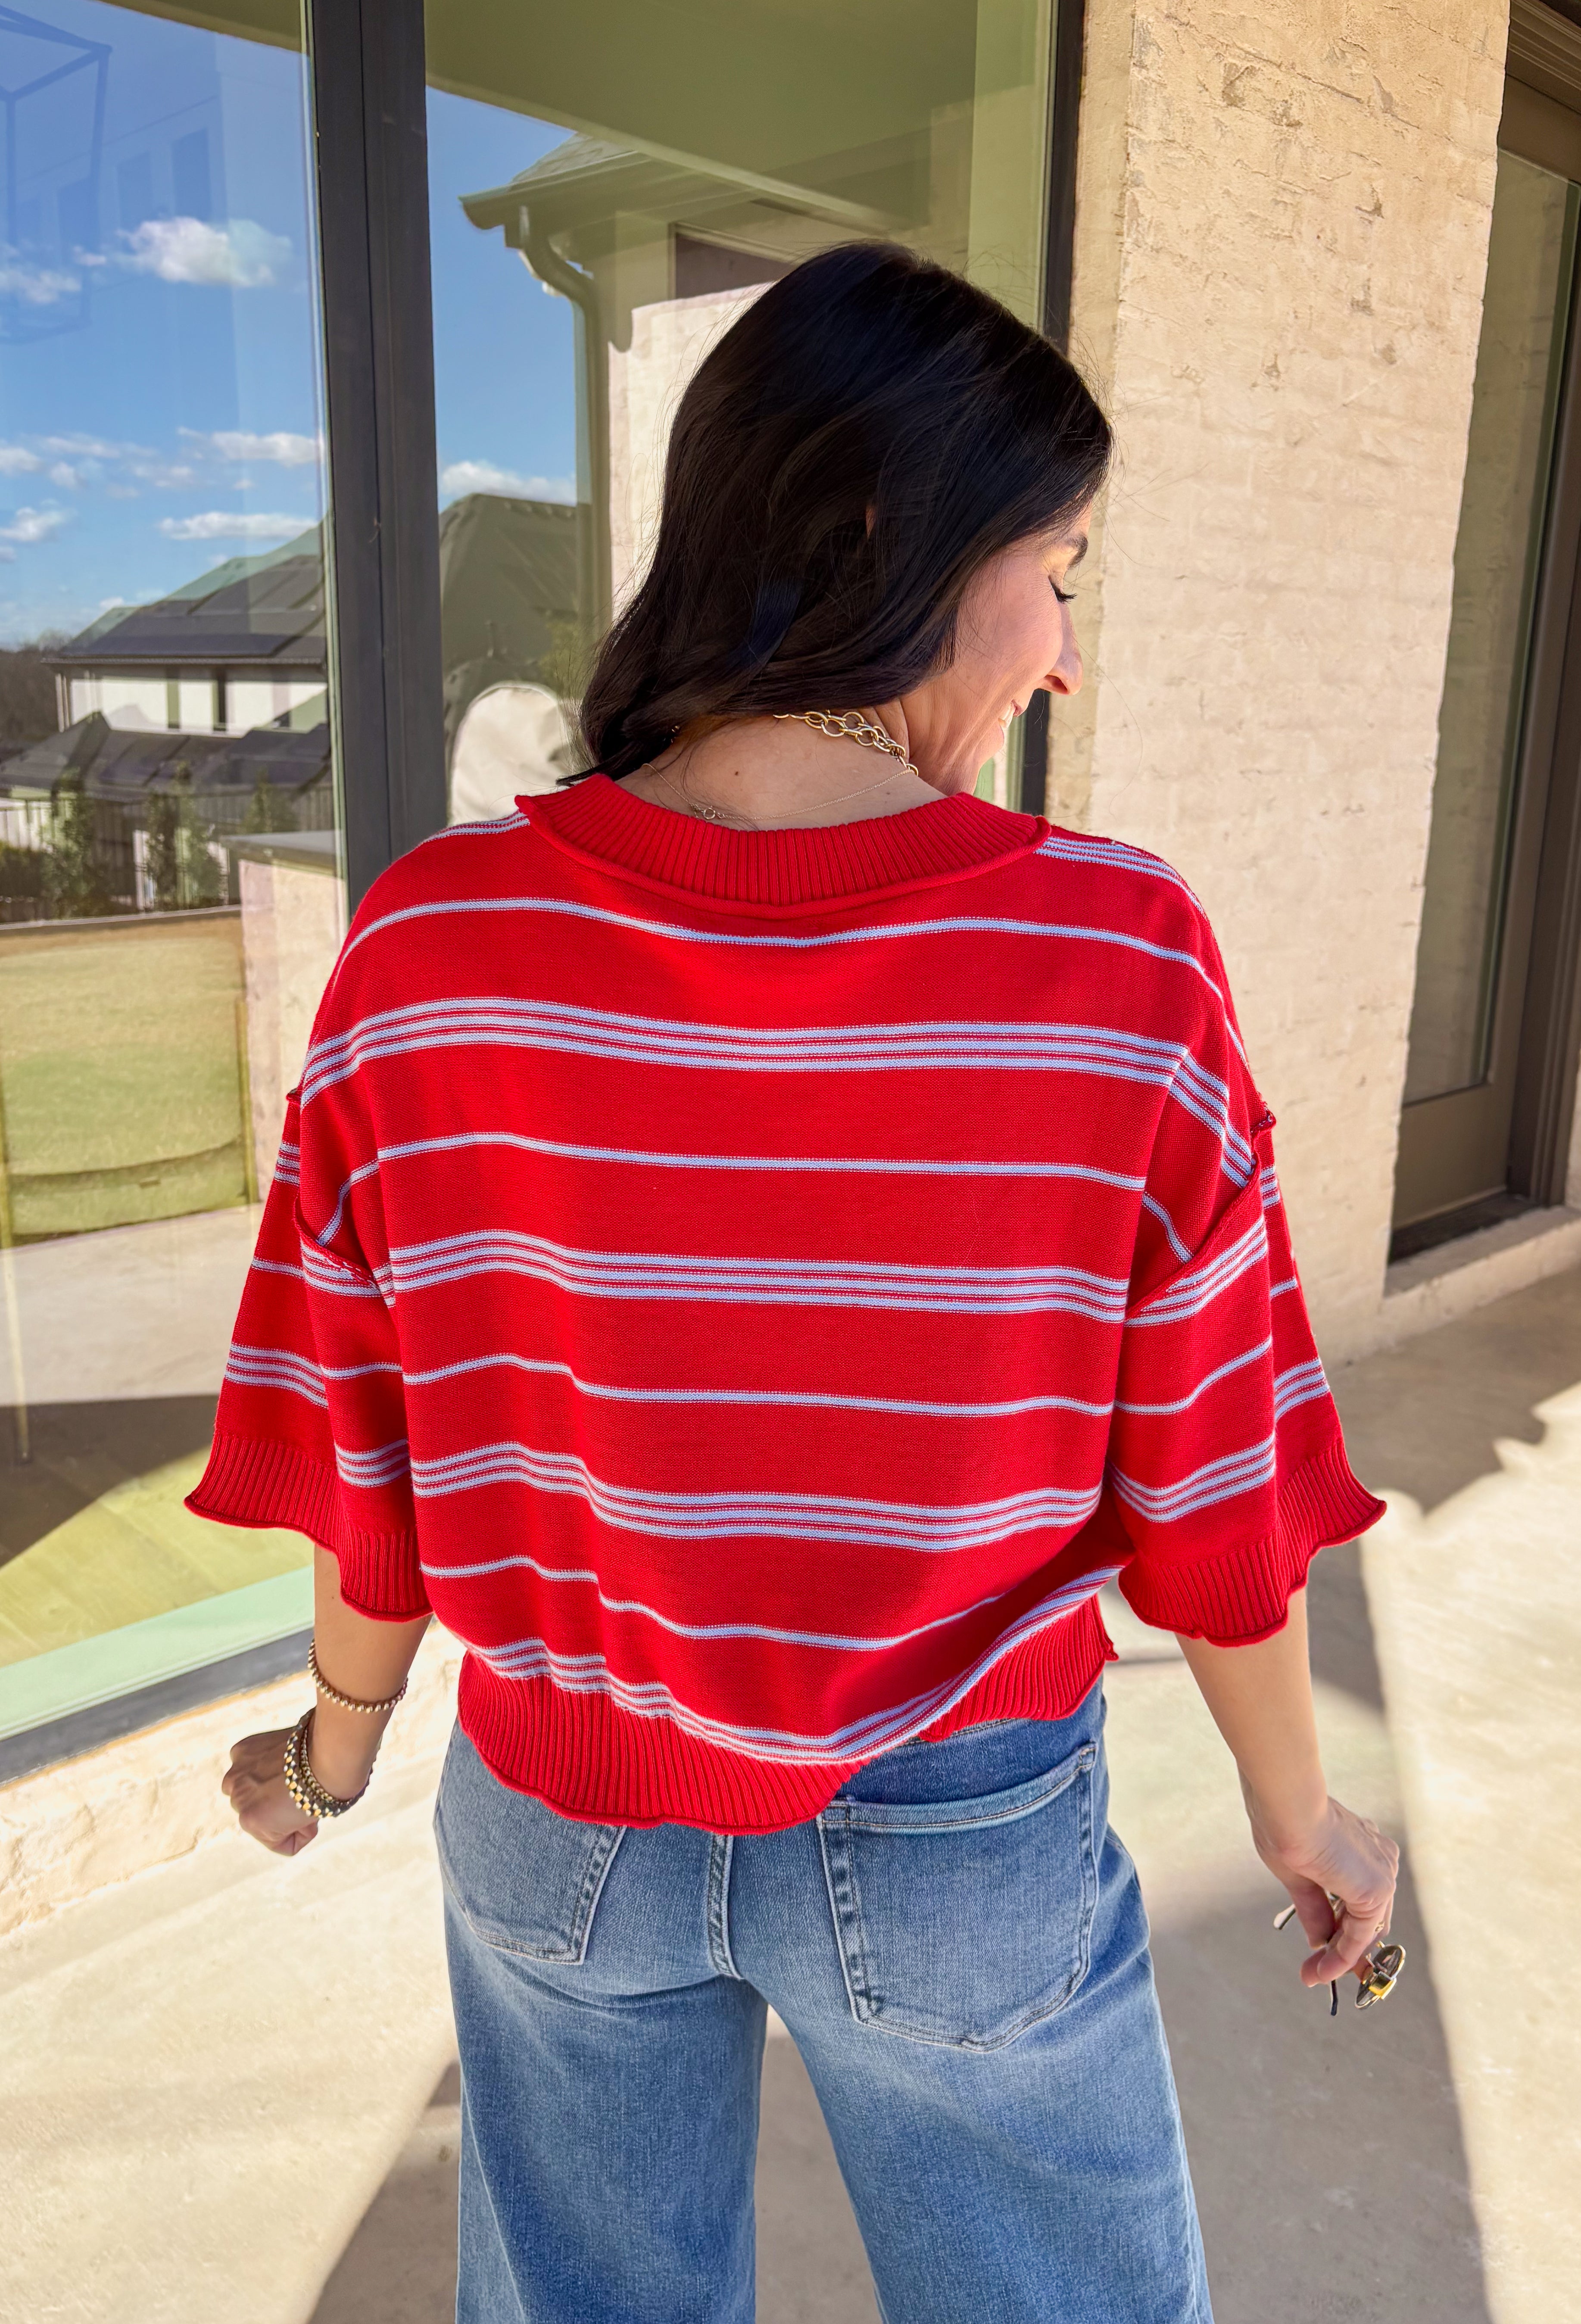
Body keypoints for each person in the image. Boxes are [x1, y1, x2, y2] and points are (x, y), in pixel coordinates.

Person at [203, 242, 1398, 2324]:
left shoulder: (423, 954)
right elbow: (1217, 1498)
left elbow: (368, 1450)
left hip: (556, 1821)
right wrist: (1304, 1814)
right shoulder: (1115, 962)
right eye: (1061, 573)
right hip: (961, 1837)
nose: (1062, 653)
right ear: (880, 533)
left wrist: (333, 1749)